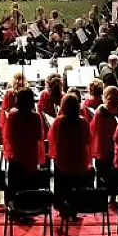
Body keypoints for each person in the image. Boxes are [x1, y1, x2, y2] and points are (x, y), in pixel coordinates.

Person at [49, 93, 92, 221]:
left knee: (61, 178)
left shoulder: (59, 121)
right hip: (79, 160)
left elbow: (52, 140)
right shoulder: (83, 121)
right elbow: (88, 140)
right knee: (76, 183)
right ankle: (74, 208)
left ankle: (61, 205)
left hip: (64, 160)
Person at [2, 89, 45, 196]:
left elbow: (8, 135)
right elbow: (39, 137)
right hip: (31, 156)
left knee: (16, 189)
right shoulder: (36, 117)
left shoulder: (13, 115)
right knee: (29, 190)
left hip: (17, 155)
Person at [91, 86, 118, 183]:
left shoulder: (100, 113)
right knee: (114, 178)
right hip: (117, 151)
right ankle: (113, 196)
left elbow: (93, 129)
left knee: (103, 179)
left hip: (102, 151)